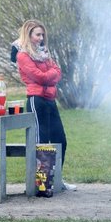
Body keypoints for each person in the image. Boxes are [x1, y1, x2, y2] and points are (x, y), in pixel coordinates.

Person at [15, 19, 75, 191]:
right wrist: (49, 74)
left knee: (60, 139)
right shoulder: (23, 55)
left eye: (42, 35)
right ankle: (41, 184)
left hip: (50, 99)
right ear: (29, 35)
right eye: (37, 35)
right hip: (36, 100)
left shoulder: (44, 53)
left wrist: (48, 74)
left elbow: (58, 72)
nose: (41, 38)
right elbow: (38, 77)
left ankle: (56, 180)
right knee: (40, 141)